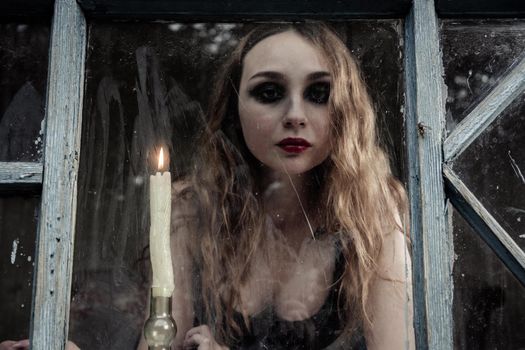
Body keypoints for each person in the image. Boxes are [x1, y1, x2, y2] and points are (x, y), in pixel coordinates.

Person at [139, 22, 414, 350]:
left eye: (318, 94)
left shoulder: (374, 211)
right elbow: (160, 342)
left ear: (346, 110)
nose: (295, 115)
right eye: (269, 93)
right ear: (233, 105)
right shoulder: (192, 209)